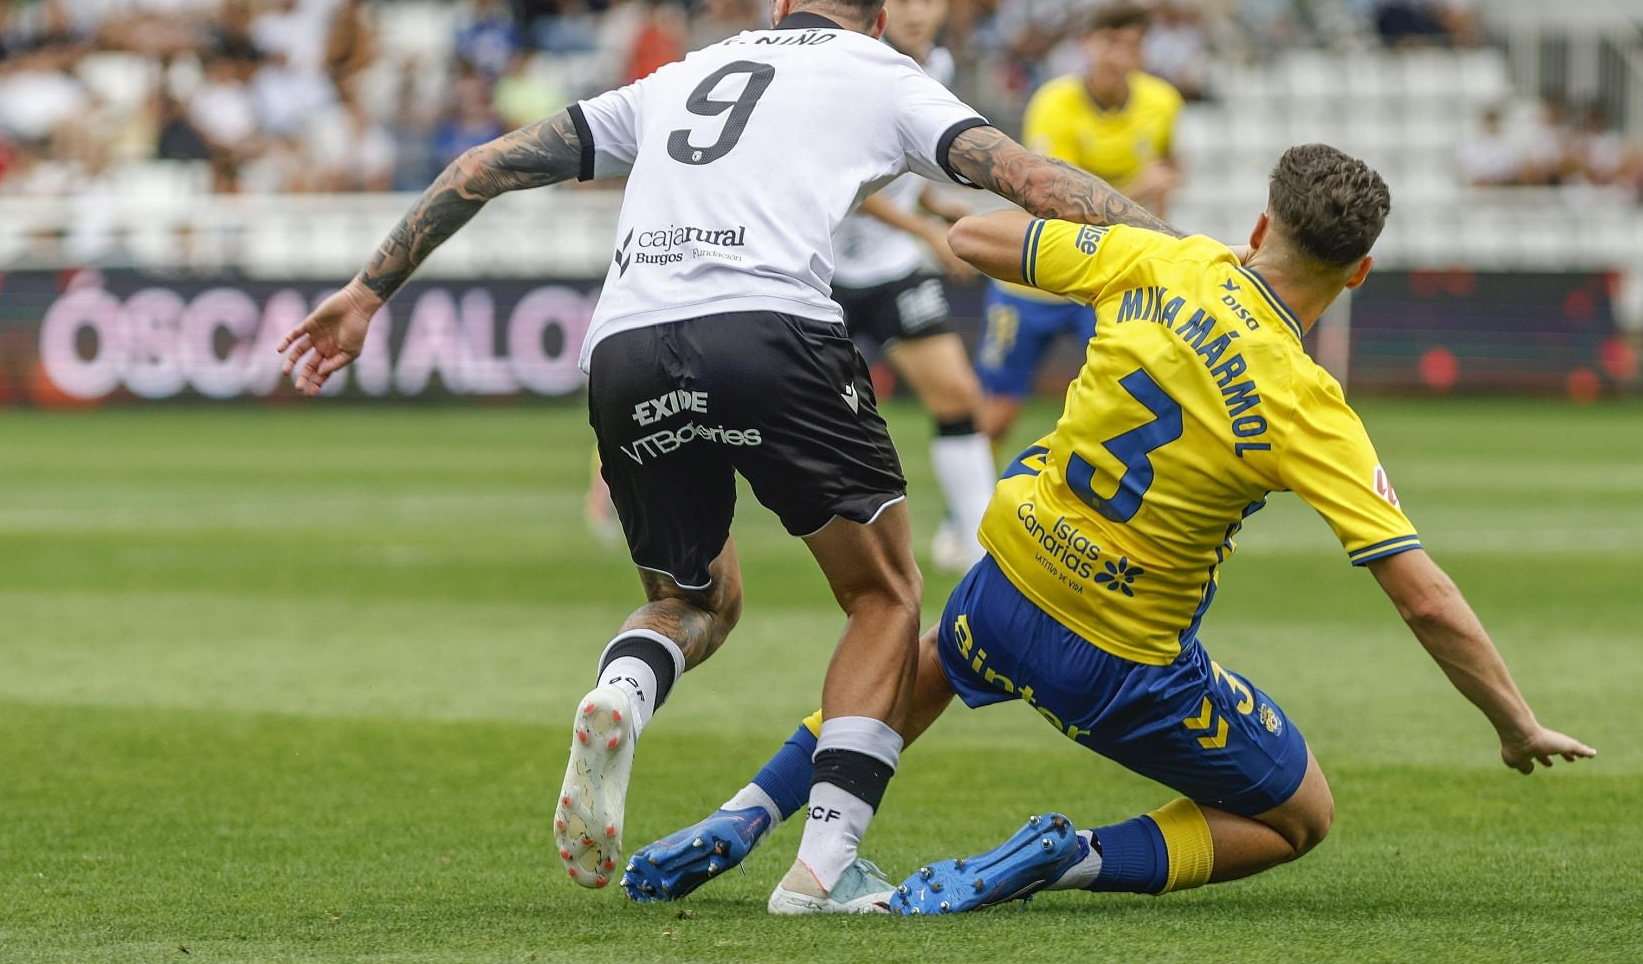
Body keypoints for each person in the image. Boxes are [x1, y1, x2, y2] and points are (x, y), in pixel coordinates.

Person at [276, 0, 1171, 915]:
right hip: (773, 331)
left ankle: (622, 691)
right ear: (876, 14)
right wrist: (1188, 255)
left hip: (625, 345)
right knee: (883, 597)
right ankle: (821, 870)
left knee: (693, 600)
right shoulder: (885, 76)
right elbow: (1028, 179)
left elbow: (481, 166)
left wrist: (365, 291)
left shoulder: (682, 75)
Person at [624, 144, 1595, 911]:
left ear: (1261, 223)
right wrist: (1513, 722)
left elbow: (974, 240)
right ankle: (1069, 858)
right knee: (1301, 814)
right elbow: (1420, 592)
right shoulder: (1310, 403)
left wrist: (1135, 236)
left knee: (919, 667)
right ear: (1361, 271)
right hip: (1120, 659)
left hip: (1007, 584)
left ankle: (740, 816)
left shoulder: (1165, 259)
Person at [830, 0, 993, 574]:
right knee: (744, 410)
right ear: (881, 5)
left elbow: (899, 179)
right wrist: (929, 232)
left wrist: (945, 209)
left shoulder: (937, 68)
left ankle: (978, 545)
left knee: (957, 394)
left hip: (894, 266)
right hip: (823, 273)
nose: (920, 11)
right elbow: (855, 188)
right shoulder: (857, 72)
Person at [979, 2, 1182, 455]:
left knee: (1136, 400)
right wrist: (1136, 189)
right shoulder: (1054, 103)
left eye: (1133, 44)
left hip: (1107, 279)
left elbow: (1167, 167)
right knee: (997, 414)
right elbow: (1049, 200)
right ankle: (962, 514)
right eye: (1111, 42)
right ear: (1088, 44)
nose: (1121, 56)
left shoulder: (1162, 101)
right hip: (1037, 276)